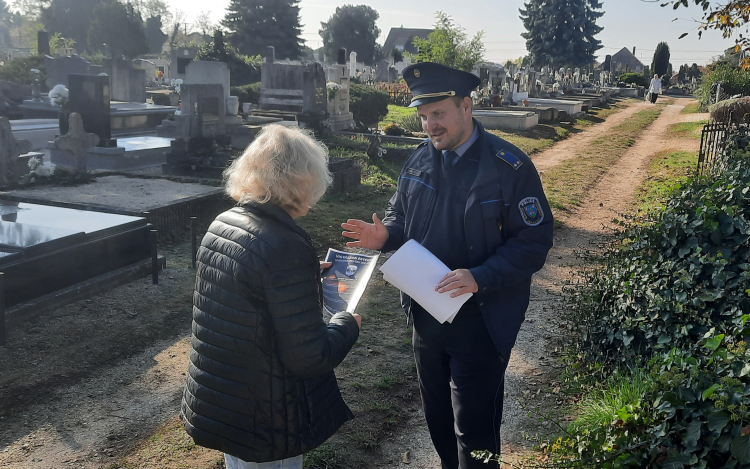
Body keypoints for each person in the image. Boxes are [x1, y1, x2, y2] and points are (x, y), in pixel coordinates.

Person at [341, 63, 553, 469]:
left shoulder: (509, 167)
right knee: (437, 417)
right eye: (423, 116)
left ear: (466, 106)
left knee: (474, 430)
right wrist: (386, 235)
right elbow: (400, 215)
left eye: (438, 114)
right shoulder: (420, 160)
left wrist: (479, 277)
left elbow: (534, 240)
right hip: (426, 312)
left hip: (481, 318)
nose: (429, 126)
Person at [181, 125, 361, 469]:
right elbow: (309, 356)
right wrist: (347, 324)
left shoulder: (224, 222)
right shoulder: (285, 245)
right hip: (268, 411)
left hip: (227, 397)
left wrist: (302, 277)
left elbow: (249, 297)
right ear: (305, 181)